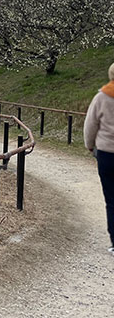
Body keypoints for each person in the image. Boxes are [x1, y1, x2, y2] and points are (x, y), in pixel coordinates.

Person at [84, 62, 114, 256]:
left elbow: (90, 124)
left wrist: (89, 144)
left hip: (107, 154)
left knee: (112, 199)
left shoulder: (102, 97)